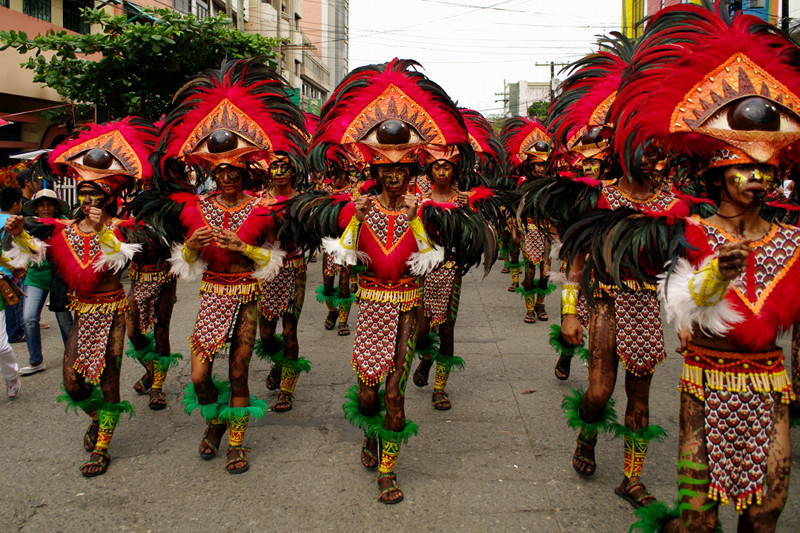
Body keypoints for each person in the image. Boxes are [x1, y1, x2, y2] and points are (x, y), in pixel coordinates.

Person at [306, 58, 471, 503]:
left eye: (402, 171)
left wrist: (418, 223)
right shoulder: (358, 209)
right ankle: (369, 432)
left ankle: (388, 472)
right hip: (371, 307)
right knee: (367, 398)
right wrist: (354, 223)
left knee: (394, 394)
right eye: (386, 171)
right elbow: (341, 260)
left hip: (407, 307)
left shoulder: (425, 211)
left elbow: (431, 260)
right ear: (375, 173)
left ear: (411, 173)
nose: (394, 177)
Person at [141, 59, 307, 474]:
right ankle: (214, 420)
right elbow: (185, 263)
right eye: (221, 171)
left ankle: (236, 441)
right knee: (199, 377)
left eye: (235, 170)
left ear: (245, 171)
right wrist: (191, 247)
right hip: (212, 296)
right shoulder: (195, 209)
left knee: (238, 372)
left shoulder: (263, 210)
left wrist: (246, 250)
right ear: (213, 172)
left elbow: (275, 260)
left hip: (247, 296)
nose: (228, 177)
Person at [6, 117, 158, 476]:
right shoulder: (64, 230)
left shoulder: (123, 229)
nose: (89, 201)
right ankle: (98, 418)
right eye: (85, 195)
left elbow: (122, 255)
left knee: (108, 381)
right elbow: (36, 254)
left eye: (96, 196)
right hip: (83, 314)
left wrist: (104, 229)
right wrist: (19, 235)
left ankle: (103, 446)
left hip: (113, 312)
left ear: (109, 199)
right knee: (73, 384)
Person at [255, 154, 311, 413]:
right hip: (267, 270)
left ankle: (287, 391)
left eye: (284, 167)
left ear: (292, 170)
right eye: (274, 166)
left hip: (294, 269)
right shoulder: (259, 201)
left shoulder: (302, 200)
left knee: (289, 331)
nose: (279, 171)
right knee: (266, 336)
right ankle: (278, 362)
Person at [19, 189, 73, 375]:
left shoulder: (67, 224)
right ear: (35, 208)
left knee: (65, 320)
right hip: (35, 277)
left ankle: (72, 357)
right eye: (41, 205)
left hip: (60, 277)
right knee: (29, 319)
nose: (46, 208)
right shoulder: (27, 226)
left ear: (56, 207)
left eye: (49, 204)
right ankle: (36, 361)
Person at [0, 187, 26, 343]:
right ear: (16, 204)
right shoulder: (14, 223)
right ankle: (15, 333)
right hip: (9, 270)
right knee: (12, 302)